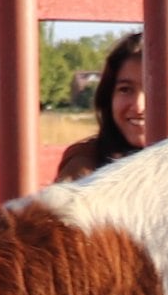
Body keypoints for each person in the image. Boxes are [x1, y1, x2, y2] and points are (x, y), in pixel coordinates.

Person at [52, 32, 152, 183]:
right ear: (108, 96)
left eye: (153, 89)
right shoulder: (85, 167)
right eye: (125, 89)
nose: (138, 106)